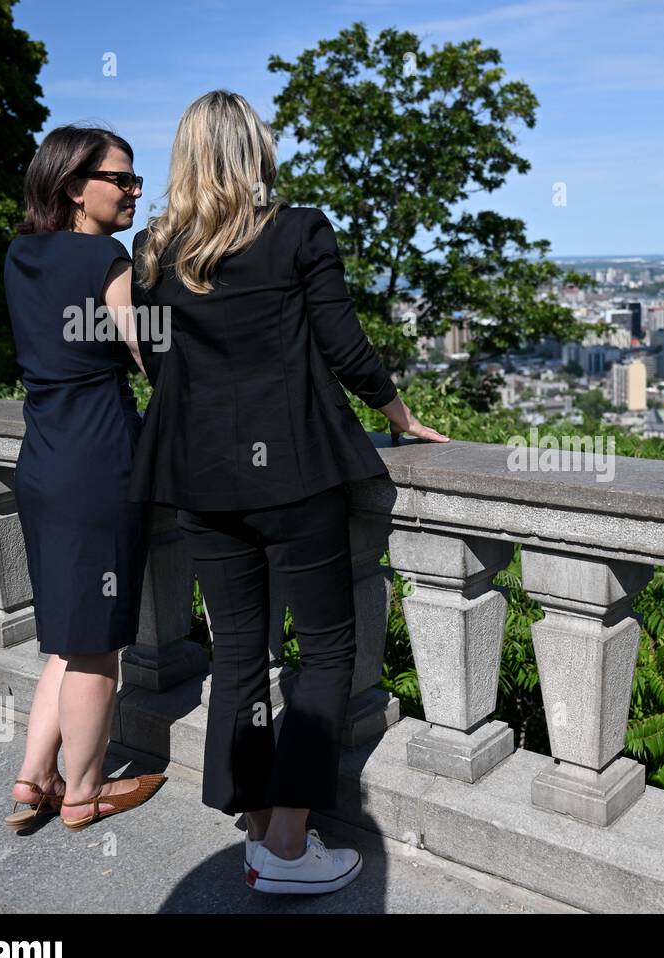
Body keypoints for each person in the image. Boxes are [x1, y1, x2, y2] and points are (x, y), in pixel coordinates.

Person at [130, 90, 446, 894]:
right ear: (253, 153)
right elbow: (344, 344)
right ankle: (288, 844)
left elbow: (163, 371)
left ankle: (253, 820)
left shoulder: (154, 250)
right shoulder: (299, 230)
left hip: (200, 481)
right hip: (295, 472)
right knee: (326, 648)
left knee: (239, 650)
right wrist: (399, 413)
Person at [2, 125, 166, 832]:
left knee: (70, 634)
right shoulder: (105, 255)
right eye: (121, 180)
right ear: (75, 186)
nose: (134, 191)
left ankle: (32, 778)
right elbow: (146, 351)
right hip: (99, 463)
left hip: (40, 462)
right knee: (98, 643)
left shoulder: (20, 252)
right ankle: (84, 792)